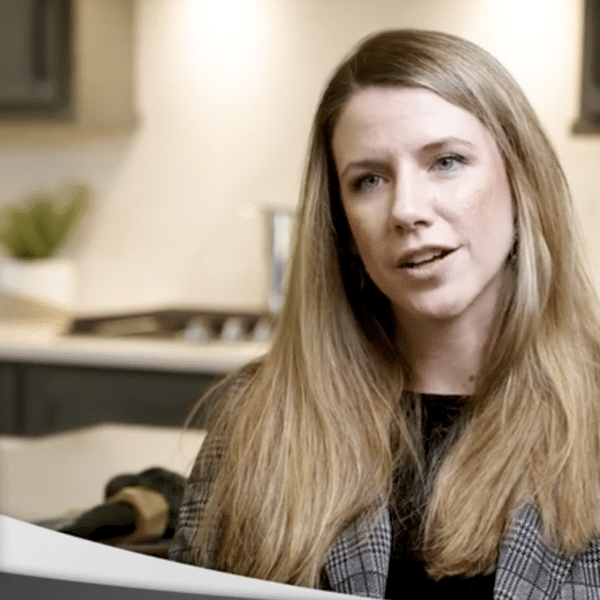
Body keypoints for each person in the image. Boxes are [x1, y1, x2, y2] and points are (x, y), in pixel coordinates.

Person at [169, 29, 600, 598]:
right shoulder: (255, 420)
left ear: (524, 183)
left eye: (446, 162)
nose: (406, 210)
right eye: (369, 180)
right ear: (343, 227)